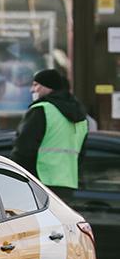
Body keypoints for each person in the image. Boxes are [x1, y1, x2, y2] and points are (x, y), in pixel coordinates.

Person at [11, 68, 88, 200]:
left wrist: (14, 178)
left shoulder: (41, 110)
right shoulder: (81, 117)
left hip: (39, 182)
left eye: (36, 85)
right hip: (68, 184)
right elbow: (81, 155)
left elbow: (23, 149)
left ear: (48, 87)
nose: (32, 90)